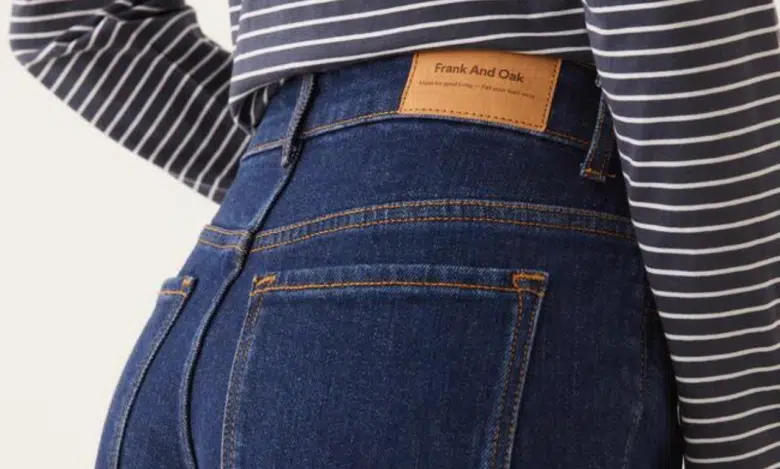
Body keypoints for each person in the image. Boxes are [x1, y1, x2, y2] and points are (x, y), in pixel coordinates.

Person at [9, 0, 780, 467]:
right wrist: (748, 432)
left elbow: (68, 24)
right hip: (457, 310)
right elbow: (672, 20)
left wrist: (330, 185)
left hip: (216, 303)